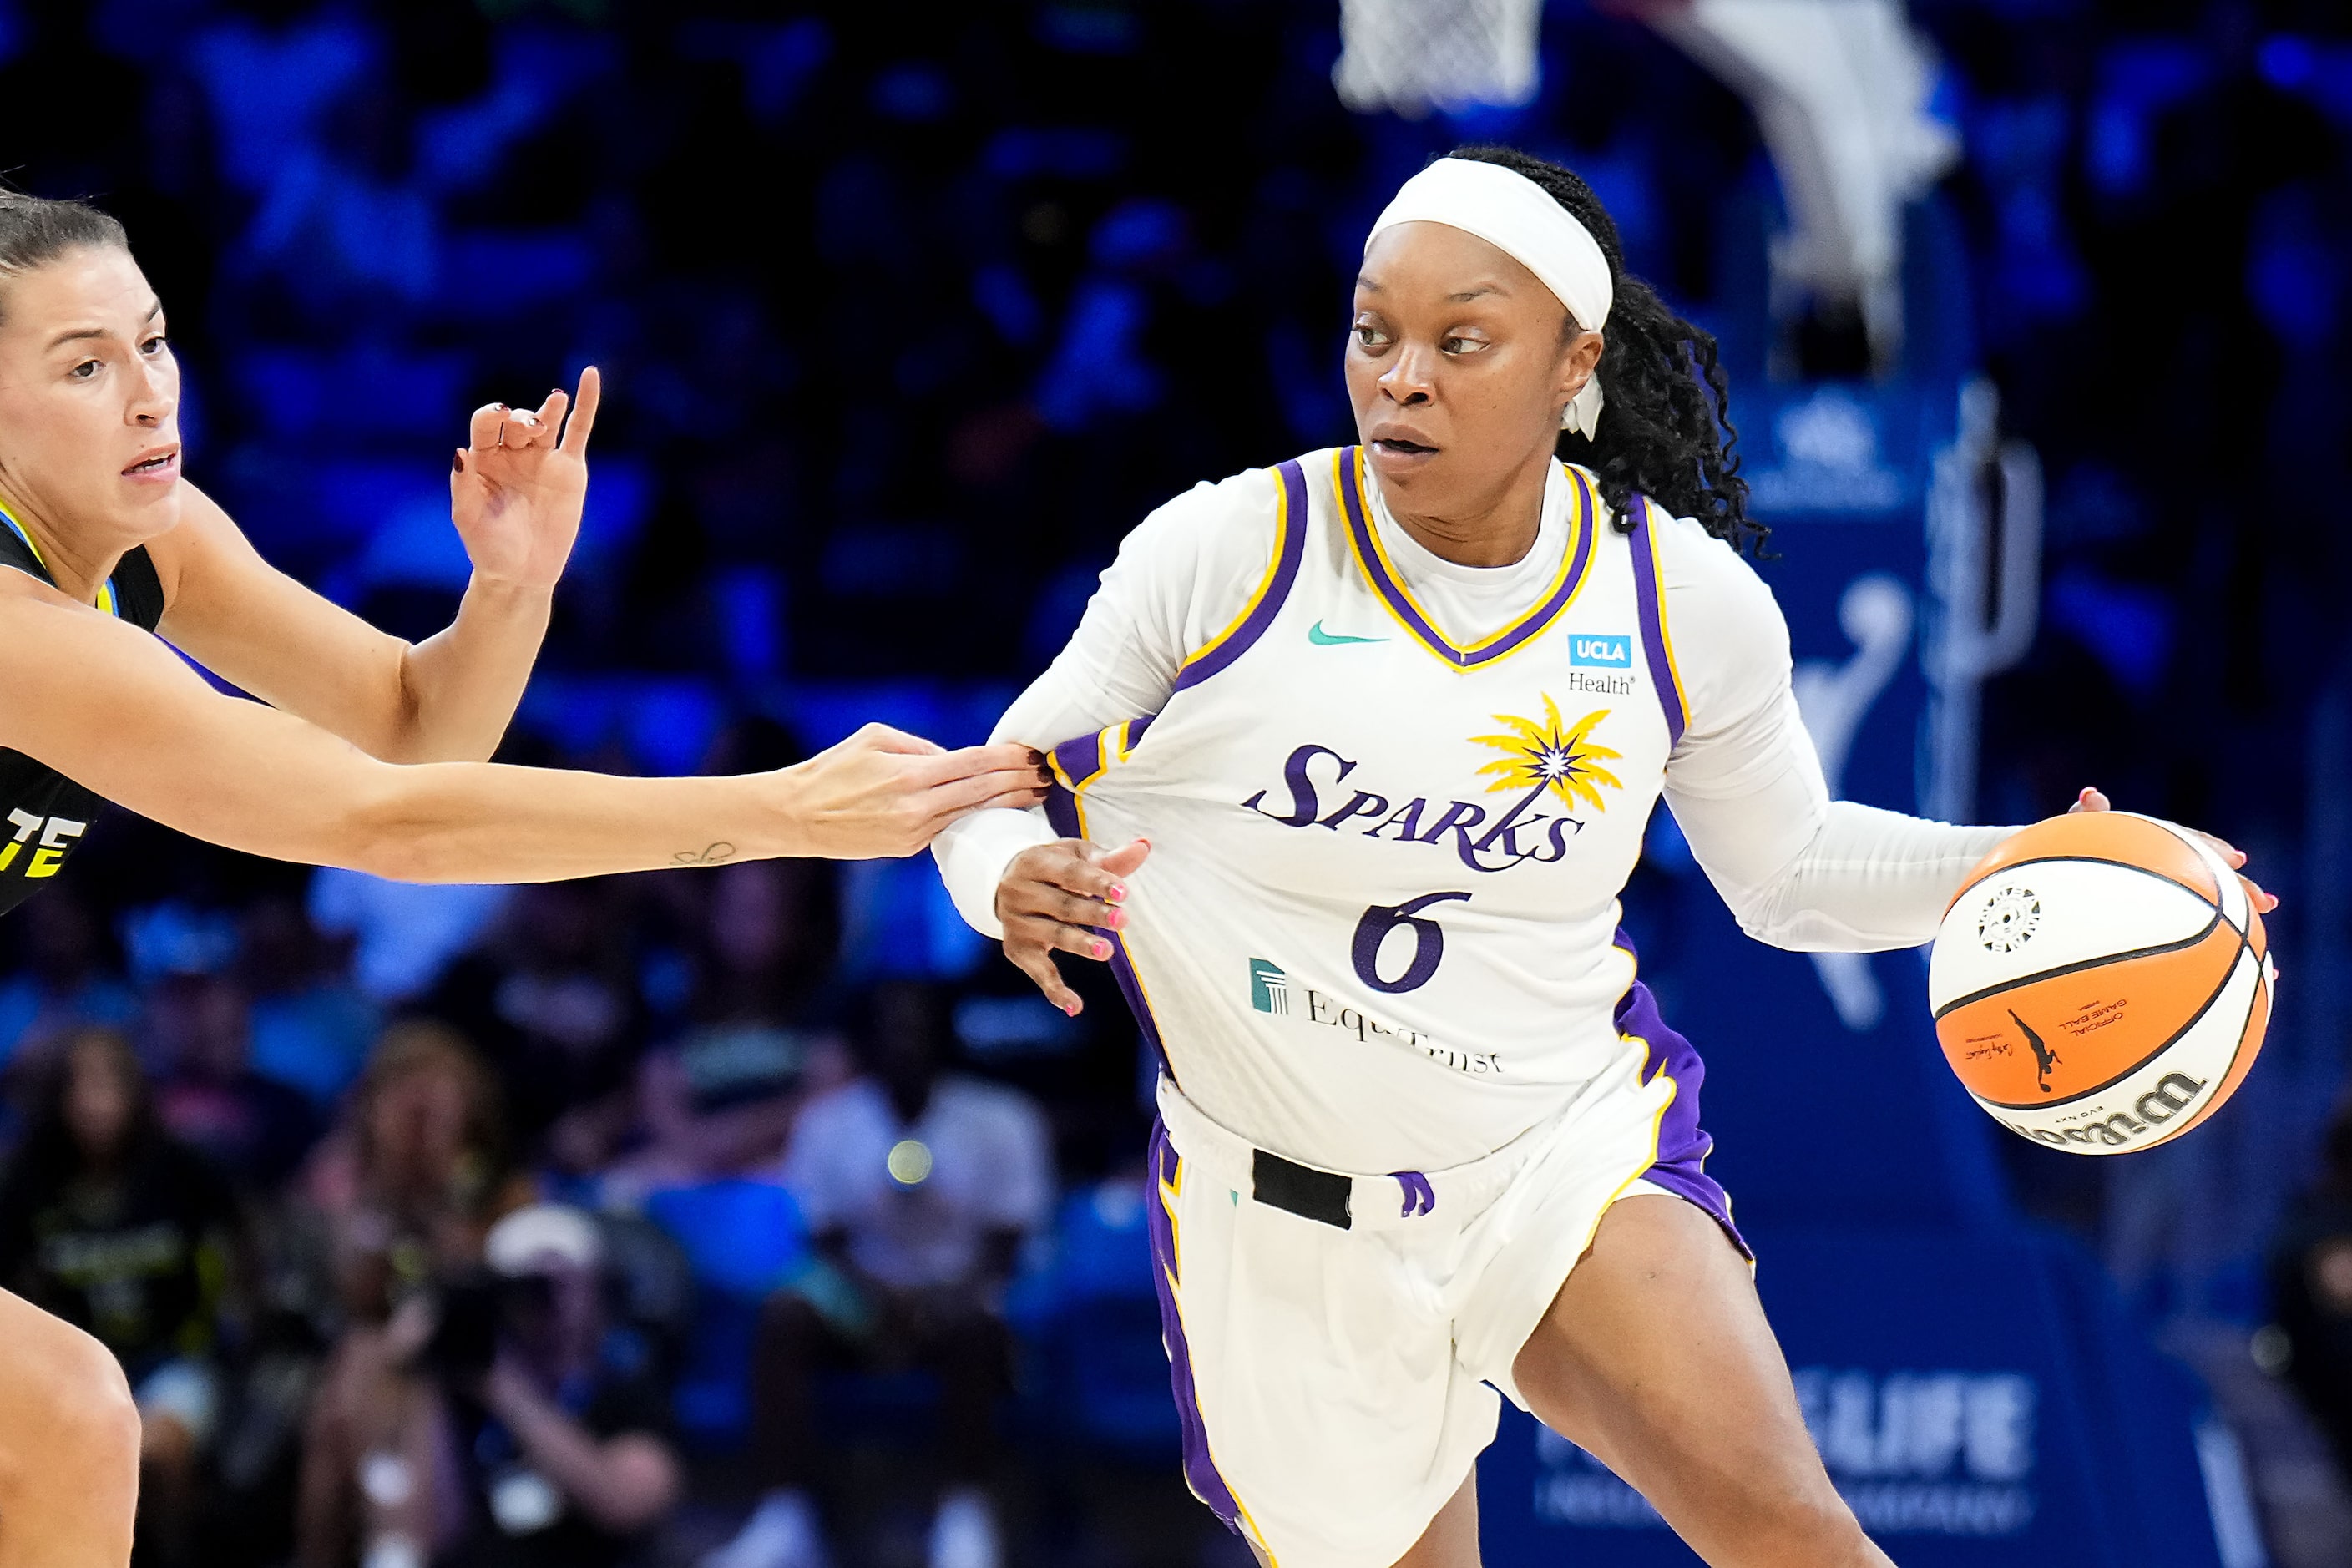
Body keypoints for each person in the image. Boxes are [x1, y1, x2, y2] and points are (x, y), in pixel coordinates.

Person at [931, 148, 2279, 1568]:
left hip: (1554, 1147)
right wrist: (998, 871)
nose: (1399, 377)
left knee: (1787, 1530)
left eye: (1459, 340)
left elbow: (1790, 869)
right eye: (1372, 331)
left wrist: (2023, 857)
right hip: (1281, 1214)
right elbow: (982, 787)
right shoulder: (1227, 554)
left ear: (1572, 363)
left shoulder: (1677, 598)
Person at [0, 188, 1037, 1562]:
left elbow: (417, 729)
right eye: (85, 365)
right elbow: (389, 827)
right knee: (67, 1415)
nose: (147, 395)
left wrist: (509, 589)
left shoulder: (149, 540)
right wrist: (780, 808)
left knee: (63, 1421)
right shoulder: (25, 629)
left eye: (154, 342)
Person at [706, 980, 1054, 1568]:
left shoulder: (1001, 1118)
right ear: (864, 1042)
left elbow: (1008, 1242)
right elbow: (823, 1240)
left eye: (917, 1027)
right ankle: (783, 1518)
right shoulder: (827, 1123)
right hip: (860, 1300)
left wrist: (943, 1296)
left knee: (975, 1329)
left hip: (963, 1298)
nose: (904, 1041)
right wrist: (881, 1298)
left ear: (943, 1036)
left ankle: (964, 1517)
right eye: (889, 1028)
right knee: (783, 1316)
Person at [298, 1202, 680, 1568]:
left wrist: (504, 1388)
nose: (552, 1304)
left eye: (565, 1282)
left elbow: (625, 1504)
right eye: (532, 1287)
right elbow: (416, 1537)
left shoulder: (627, 1391)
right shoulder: (463, 1392)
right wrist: (419, 1375)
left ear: (596, 1290)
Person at [0, 1027, 241, 1567]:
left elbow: (244, 1259)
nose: (95, 1102)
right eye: (80, 1085)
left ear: (135, 1091)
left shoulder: (183, 1170)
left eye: (108, 1083)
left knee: (150, 1449)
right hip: (64, 1374)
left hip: (174, 1361)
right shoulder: (26, 1184)